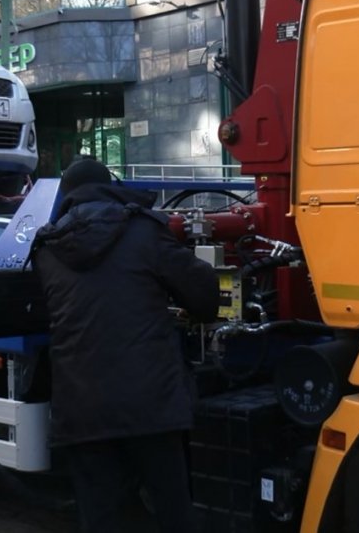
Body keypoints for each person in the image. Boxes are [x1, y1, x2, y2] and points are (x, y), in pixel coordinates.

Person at [30, 157, 219, 533]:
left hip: (82, 409)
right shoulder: (144, 232)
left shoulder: (47, 249)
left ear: (66, 196)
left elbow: (44, 315)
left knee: (101, 518)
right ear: (111, 187)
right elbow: (203, 296)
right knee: (173, 512)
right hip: (152, 405)